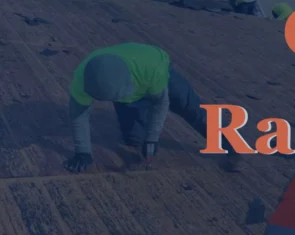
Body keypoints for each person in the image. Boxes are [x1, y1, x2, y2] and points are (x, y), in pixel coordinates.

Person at [64, 43, 239, 173]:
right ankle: (139, 118)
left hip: (155, 70)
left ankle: (232, 148)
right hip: (131, 86)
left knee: (193, 111)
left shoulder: (152, 72)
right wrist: (83, 152)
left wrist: (153, 138)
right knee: (134, 139)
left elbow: (161, 104)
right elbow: (79, 116)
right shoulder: (83, 79)